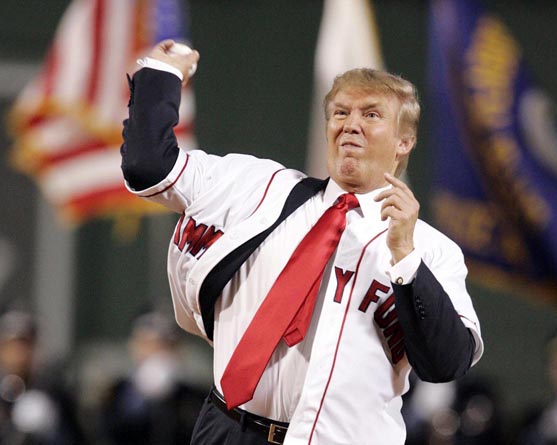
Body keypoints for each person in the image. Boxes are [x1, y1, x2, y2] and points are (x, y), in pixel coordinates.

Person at [120, 39, 483, 445]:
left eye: (371, 114)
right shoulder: (257, 187)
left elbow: (445, 363)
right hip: (228, 427)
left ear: (404, 141)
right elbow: (149, 168)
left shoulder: (431, 250)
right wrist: (161, 74)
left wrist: (406, 260)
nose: (351, 124)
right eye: (341, 112)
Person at [99, 310, 208, 445]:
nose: (157, 353)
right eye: (149, 345)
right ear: (133, 347)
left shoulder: (197, 400)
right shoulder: (115, 395)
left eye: (166, 346)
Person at [0, 310, 85, 444]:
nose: (18, 354)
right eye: (11, 346)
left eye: (24, 346)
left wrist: (50, 429)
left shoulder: (52, 391)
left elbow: (74, 436)